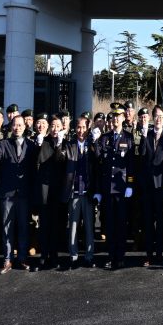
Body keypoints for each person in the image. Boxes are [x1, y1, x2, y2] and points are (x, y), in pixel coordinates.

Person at [0, 115, 39, 274]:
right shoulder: (3, 144)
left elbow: (34, 170)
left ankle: (23, 258)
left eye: (20, 125)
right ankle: (7, 259)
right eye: (14, 125)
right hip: (7, 194)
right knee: (7, 228)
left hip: (24, 194)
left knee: (23, 227)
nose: (17, 128)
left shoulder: (31, 145)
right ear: (11, 127)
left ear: (25, 127)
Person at [95, 108, 135, 270]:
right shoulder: (104, 138)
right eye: (113, 117)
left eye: (118, 117)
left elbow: (131, 164)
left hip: (121, 187)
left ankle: (120, 256)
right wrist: (98, 189)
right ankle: (111, 256)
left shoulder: (129, 137)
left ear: (123, 118)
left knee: (121, 224)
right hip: (107, 188)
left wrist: (130, 184)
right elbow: (99, 163)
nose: (115, 120)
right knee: (109, 225)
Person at [134, 105, 163, 267]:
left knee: (161, 222)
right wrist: (143, 137)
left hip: (161, 186)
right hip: (148, 187)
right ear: (152, 118)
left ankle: (159, 254)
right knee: (147, 222)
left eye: (161, 116)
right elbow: (141, 157)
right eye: (156, 116)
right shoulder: (146, 135)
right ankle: (148, 254)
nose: (158, 119)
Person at [61, 113, 97, 269]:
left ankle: (89, 256)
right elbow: (61, 159)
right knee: (73, 227)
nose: (81, 130)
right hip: (74, 191)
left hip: (88, 192)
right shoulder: (69, 145)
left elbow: (98, 163)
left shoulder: (92, 144)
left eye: (83, 127)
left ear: (88, 128)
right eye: (78, 127)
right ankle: (73, 256)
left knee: (89, 226)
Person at [35, 115, 67, 270]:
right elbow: (38, 160)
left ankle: (54, 255)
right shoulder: (44, 141)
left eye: (58, 126)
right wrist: (39, 144)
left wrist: (60, 145)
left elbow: (61, 161)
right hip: (44, 188)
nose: (55, 129)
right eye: (53, 126)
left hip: (58, 188)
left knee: (56, 224)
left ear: (62, 128)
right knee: (44, 223)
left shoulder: (64, 142)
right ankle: (43, 254)